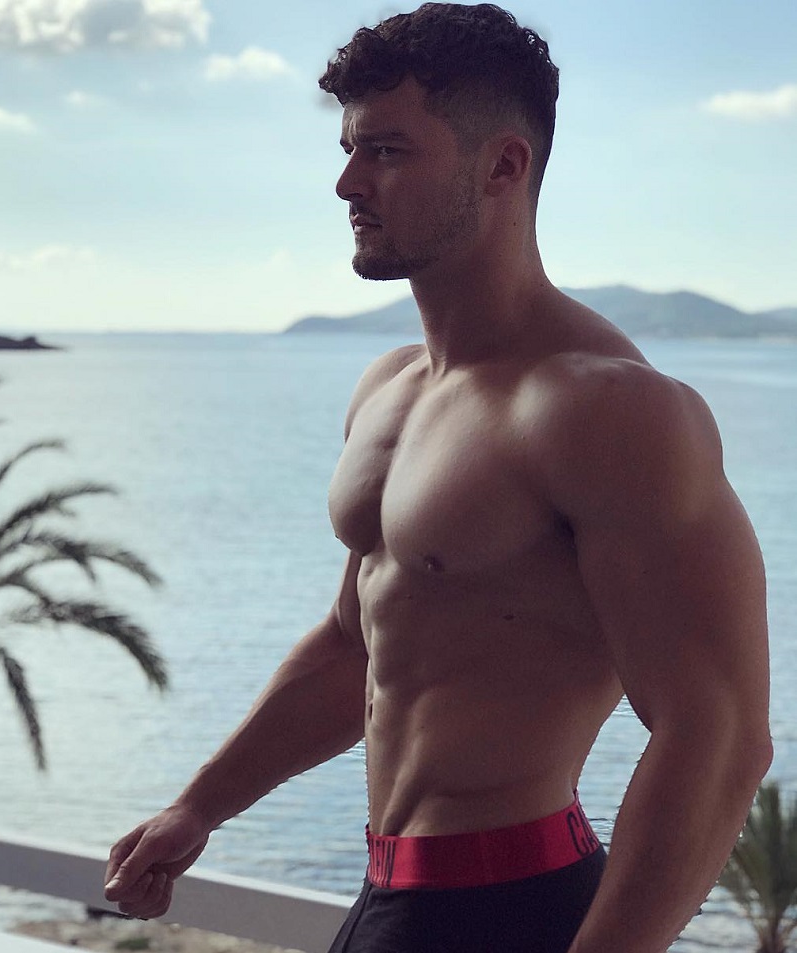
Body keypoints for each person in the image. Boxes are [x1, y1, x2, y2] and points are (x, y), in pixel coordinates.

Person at [104, 4, 773, 951]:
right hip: (388, 903)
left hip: (522, 908)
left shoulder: (609, 411)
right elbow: (356, 644)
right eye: (346, 149)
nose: (345, 182)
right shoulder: (388, 391)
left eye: (384, 151)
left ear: (504, 165)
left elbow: (720, 737)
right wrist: (199, 807)